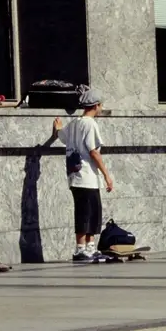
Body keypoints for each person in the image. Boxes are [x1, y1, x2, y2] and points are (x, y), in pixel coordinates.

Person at [50, 87, 114, 262]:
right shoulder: (90, 124)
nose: (101, 109)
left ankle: (89, 247)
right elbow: (94, 152)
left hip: (76, 176)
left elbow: (61, 136)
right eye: (101, 106)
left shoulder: (74, 124)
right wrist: (107, 175)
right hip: (87, 175)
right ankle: (80, 249)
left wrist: (57, 128)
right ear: (96, 105)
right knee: (86, 213)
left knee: (90, 212)